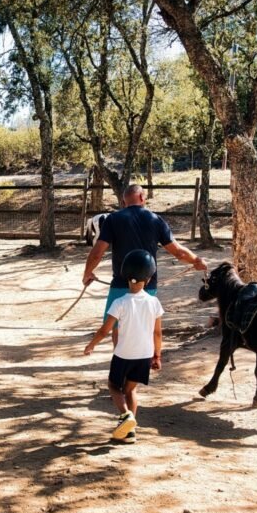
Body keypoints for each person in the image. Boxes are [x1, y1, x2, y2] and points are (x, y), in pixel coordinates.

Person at [83, 184, 207, 344]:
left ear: (123, 201)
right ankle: (148, 359)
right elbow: (178, 252)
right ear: (142, 197)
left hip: (121, 284)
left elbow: (97, 253)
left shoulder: (113, 219)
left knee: (117, 327)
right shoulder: (155, 219)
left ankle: (120, 359)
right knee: (147, 327)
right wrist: (196, 261)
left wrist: (87, 273)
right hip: (147, 285)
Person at [84, 250, 163, 443]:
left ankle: (125, 415)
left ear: (125, 275)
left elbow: (105, 331)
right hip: (144, 356)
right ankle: (130, 432)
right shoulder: (154, 302)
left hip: (123, 355)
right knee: (131, 390)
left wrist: (91, 345)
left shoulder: (119, 303)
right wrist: (157, 356)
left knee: (113, 386)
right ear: (150, 277)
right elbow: (157, 333)